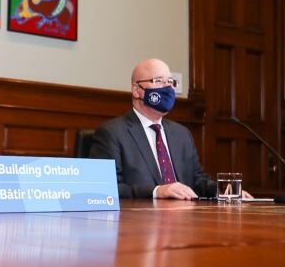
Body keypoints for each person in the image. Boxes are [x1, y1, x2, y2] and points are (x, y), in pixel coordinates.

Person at [91, 58, 233, 200]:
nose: (167, 88)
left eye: (170, 82)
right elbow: (106, 188)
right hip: (139, 219)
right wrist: (157, 191)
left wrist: (223, 191)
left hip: (184, 217)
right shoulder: (112, 133)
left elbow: (197, 180)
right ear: (136, 90)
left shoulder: (182, 134)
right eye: (158, 81)